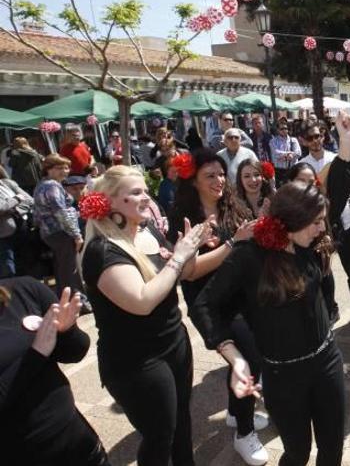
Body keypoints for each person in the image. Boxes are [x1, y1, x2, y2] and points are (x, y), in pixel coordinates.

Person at [193, 111, 350, 465]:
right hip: (282, 375)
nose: (321, 230)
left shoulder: (311, 243)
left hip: (327, 362)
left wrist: (345, 145)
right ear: (291, 222)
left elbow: (340, 193)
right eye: (315, 223)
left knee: (332, 450)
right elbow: (205, 306)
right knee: (297, 453)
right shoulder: (248, 257)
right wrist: (235, 357)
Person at [79, 165, 214, 465]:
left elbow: (182, 273)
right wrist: (178, 257)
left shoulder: (148, 230)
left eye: (146, 191)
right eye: (136, 192)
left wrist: (190, 251)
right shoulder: (102, 251)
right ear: (110, 202)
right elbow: (142, 301)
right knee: (160, 435)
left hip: (173, 343)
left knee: (182, 422)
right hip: (136, 362)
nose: (147, 197)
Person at [167, 149, 265, 464]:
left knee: (252, 358)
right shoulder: (183, 218)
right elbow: (190, 271)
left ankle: (238, 413)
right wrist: (232, 243)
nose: (219, 180)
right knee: (248, 358)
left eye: (221, 173)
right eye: (210, 175)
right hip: (209, 302)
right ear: (193, 182)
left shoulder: (232, 207)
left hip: (243, 298)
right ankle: (245, 434)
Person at [0, 279, 109, 465]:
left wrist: (66, 331)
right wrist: (37, 354)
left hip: (75, 436)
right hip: (19, 454)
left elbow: (76, 352)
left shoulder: (25, 290)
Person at [298, 122, 350, 311]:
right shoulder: (301, 165)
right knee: (322, 270)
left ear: (323, 136)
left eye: (318, 136)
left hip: (342, 222)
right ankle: (329, 308)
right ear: (303, 141)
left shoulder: (338, 158)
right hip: (316, 226)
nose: (315, 140)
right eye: (310, 138)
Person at [33, 155, 86, 303]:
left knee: (62, 268)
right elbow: (60, 212)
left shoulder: (43, 184)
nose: (65, 171)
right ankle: (77, 301)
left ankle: (68, 299)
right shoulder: (52, 186)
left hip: (51, 233)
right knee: (70, 269)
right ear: (49, 169)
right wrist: (77, 235)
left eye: (66, 167)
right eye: (60, 168)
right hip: (60, 232)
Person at [0, 167, 33, 278]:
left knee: (25, 260)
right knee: (8, 265)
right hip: (3, 233)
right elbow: (1, 207)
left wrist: (15, 210)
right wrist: (17, 199)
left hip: (21, 227)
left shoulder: (7, 183)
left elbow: (29, 200)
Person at [270, 117, 301, 185]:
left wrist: (284, 157)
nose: (284, 130)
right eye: (282, 129)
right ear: (278, 130)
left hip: (292, 170)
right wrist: (289, 154)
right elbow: (276, 153)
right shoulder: (273, 141)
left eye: (286, 128)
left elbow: (298, 153)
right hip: (279, 171)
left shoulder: (293, 140)